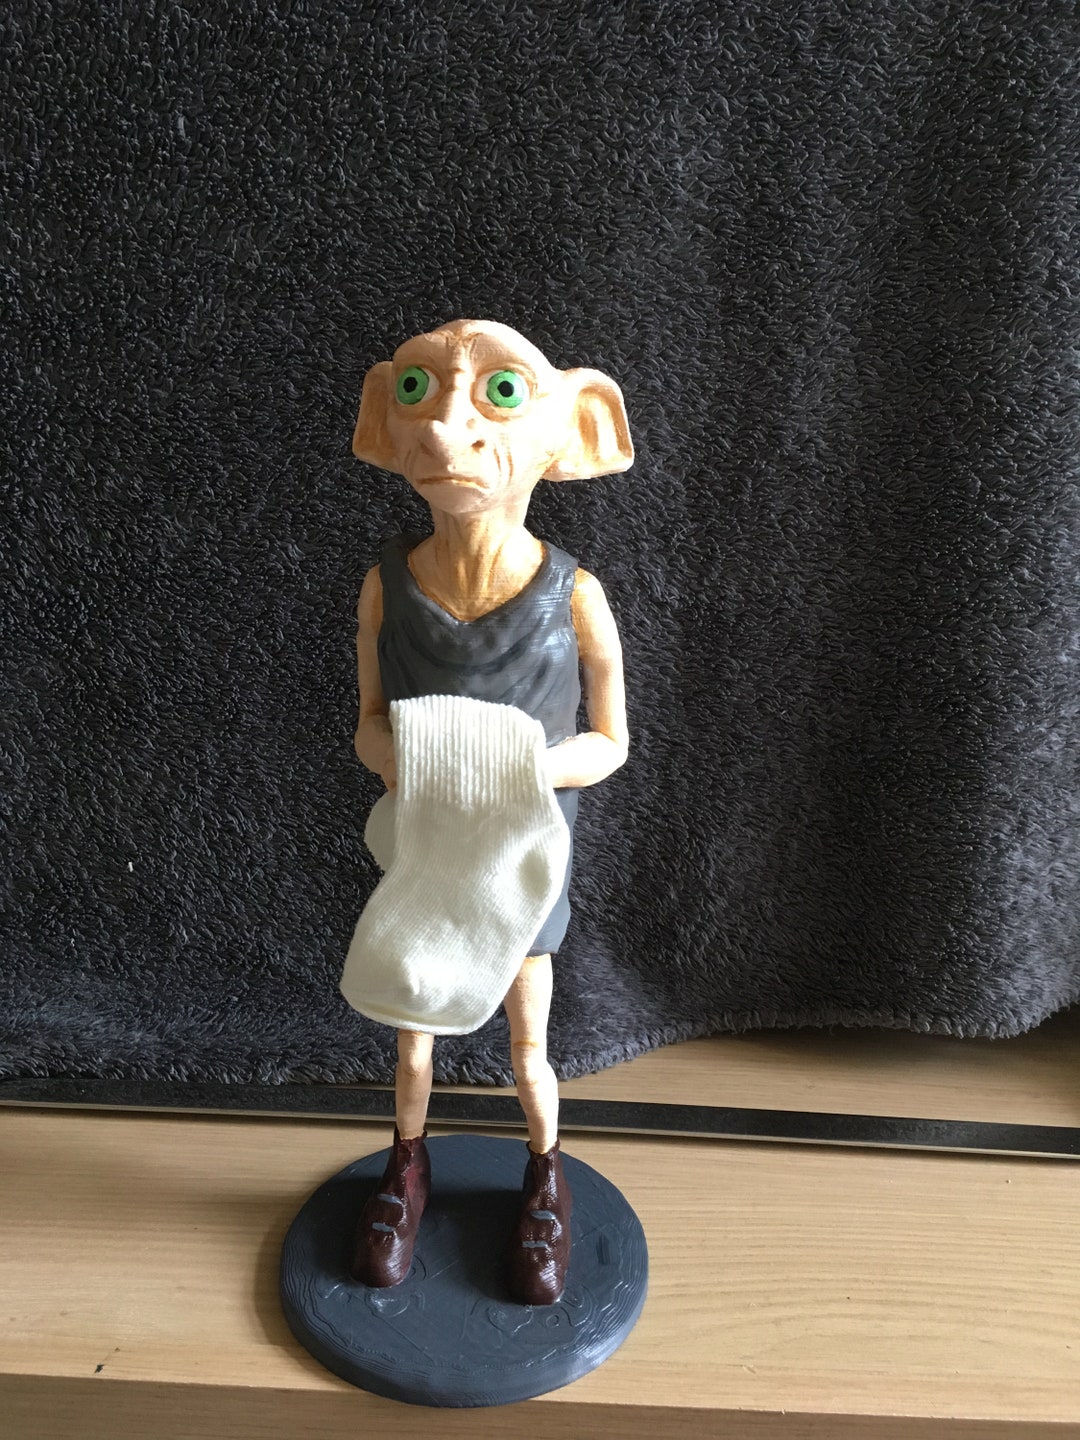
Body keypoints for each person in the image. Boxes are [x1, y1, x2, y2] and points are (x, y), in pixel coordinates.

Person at [345, 318, 633, 1305]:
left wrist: (517, 772)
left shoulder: (576, 596)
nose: (447, 425)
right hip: (425, 855)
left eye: (500, 393)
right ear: (385, 421)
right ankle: (406, 1165)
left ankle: (546, 1176)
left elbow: (611, 741)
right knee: (412, 1037)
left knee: (527, 1045)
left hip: (521, 859)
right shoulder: (386, 588)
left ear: (578, 426)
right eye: (419, 390)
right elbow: (367, 726)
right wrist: (411, 763)